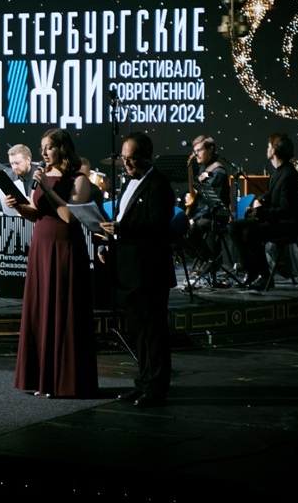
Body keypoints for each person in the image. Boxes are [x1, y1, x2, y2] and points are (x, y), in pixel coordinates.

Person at [4, 128, 98, 399]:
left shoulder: (79, 179)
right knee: (41, 309)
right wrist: (18, 206)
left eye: (50, 147)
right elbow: (38, 214)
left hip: (65, 248)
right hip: (41, 246)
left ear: (63, 149)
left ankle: (63, 382)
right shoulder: (42, 176)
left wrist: (46, 187)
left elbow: (69, 216)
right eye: (42, 147)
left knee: (62, 309)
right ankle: (40, 379)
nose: (44, 152)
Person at [98, 131, 175, 408]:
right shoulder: (129, 182)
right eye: (124, 158)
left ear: (146, 157)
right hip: (128, 269)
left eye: (131, 159)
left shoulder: (159, 184)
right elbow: (121, 219)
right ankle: (143, 383)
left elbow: (157, 225)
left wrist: (122, 229)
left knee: (153, 333)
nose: (126, 164)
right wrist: (108, 244)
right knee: (139, 333)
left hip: (149, 271)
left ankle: (156, 388)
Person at [227, 133, 298, 291]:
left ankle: (264, 276)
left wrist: (260, 214)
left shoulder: (288, 175)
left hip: (288, 224)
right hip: (275, 220)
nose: (267, 149)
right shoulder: (277, 172)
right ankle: (251, 272)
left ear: (274, 150)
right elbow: (269, 195)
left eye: (269, 146)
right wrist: (258, 203)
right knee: (233, 226)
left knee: (250, 232)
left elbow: (286, 210)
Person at [182, 135, 232, 285]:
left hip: (215, 216)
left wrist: (194, 218)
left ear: (210, 149)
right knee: (181, 225)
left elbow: (211, 204)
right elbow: (202, 198)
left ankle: (206, 261)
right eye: (194, 151)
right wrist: (190, 196)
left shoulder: (217, 172)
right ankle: (204, 259)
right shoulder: (203, 168)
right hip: (204, 214)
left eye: (199, 150)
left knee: (194, 226)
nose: (196, 154)